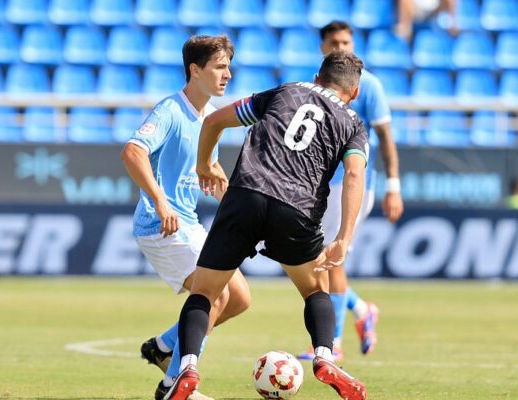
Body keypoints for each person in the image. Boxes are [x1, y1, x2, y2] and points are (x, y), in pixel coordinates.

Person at [162, 50, 371, 400]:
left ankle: (187, 367)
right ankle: (323, 355)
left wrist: (204, 165)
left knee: (204, 293)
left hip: (246, 194)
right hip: (297, 209)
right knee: (316, 291)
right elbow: (354, 174)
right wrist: (343, 238)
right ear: (355, 92)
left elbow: (214, 122)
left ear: (317, 78)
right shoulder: (353, 124)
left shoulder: (285, 91)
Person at [120, 35, 251, 400]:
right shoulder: (170, 111)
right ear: (195, 70)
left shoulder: (208, 116)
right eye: (219, 67)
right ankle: (174, 385)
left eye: (228, 66)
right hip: (161, 224)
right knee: (217, 295)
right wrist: (159, 200)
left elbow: (203, 164)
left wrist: (213, 171)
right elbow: (132, 152)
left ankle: (164, 347)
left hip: (188, 222)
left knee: (240, 298)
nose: (227, 74)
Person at [296, 21, 404, 362]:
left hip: (353, 185)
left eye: (346, 41)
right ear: (323, 47)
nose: (341, 47)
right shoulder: (316, 84)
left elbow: (386, 139)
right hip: (320, 185)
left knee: (328, 260)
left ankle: (333, 343)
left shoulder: (368, 84)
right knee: (319, 262)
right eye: (334, 42)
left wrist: (394, 187)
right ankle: (361, 310)